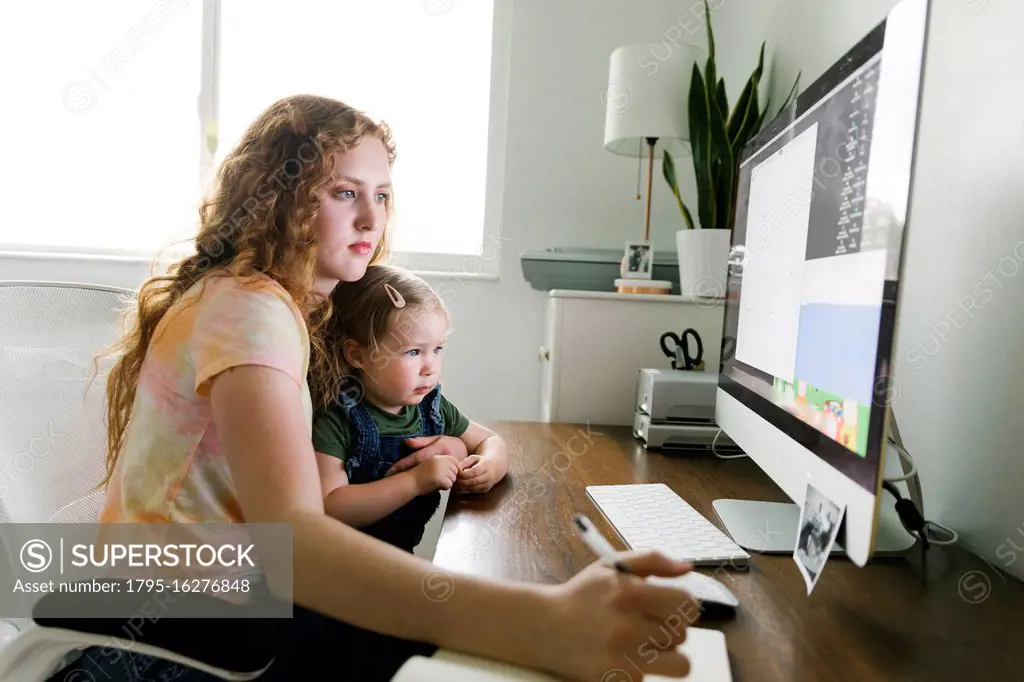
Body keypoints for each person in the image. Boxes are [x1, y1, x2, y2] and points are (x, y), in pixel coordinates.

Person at [61, 94, 697, 682]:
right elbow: (296, 540)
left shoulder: (259, 301)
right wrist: (543, 620)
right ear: (276, 198)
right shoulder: (250, 312)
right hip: (170, 631)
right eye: (344, 192)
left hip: (202, 600)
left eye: (383, 195)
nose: (371, 217)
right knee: (471, 658)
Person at [313, 265, 508, 555]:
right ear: (357, 355)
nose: (430, 367)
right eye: (413, 352)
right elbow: (330, 506)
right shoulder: (338, 418)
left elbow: (490, 440)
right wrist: (414, 482)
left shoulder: (433, 408)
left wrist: (490, 467)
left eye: (437, 349)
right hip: (341, 569)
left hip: (401, 559)